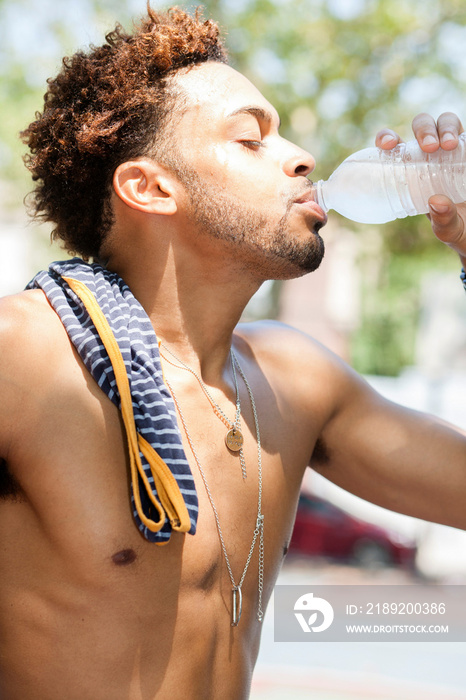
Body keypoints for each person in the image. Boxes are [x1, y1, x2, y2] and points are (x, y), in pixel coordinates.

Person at [1, 5, 466, 699]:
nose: (301, 157)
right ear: (151, 189)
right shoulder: (28, 359)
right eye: (250, 140)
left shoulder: (294, 382)